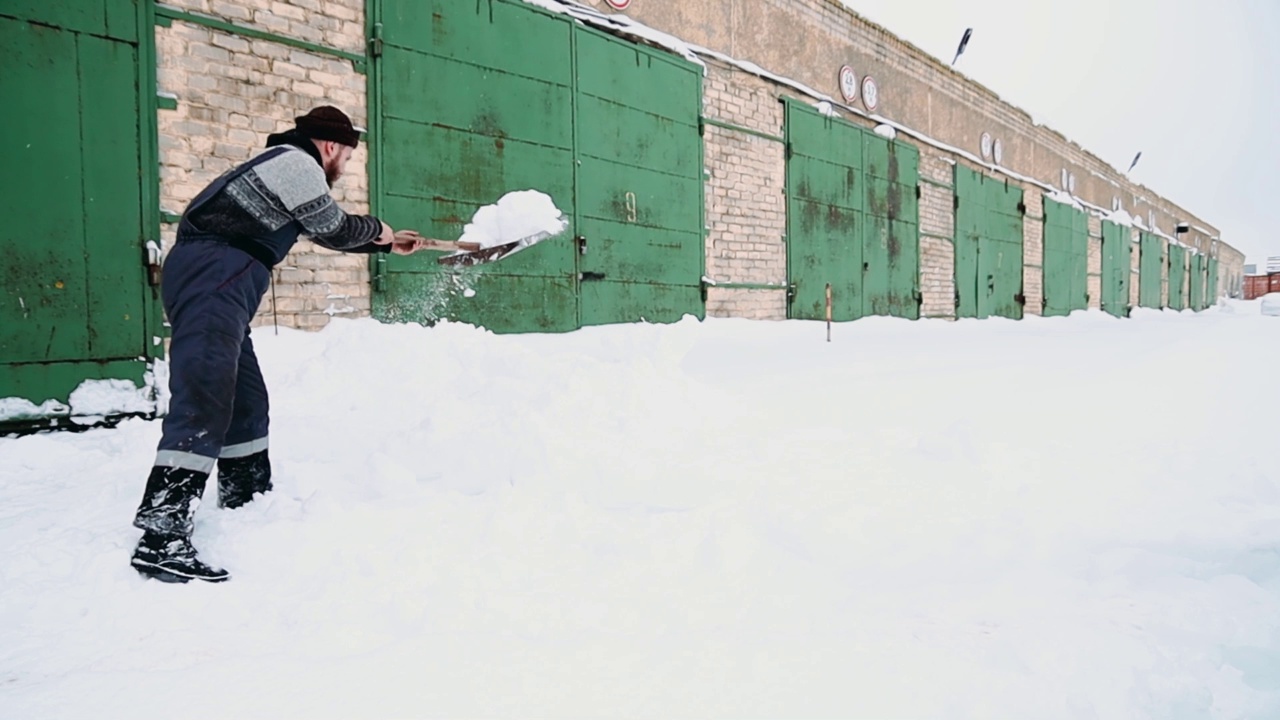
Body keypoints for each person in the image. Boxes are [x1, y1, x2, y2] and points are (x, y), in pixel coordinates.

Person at [131, 106, 471, 583]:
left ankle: (246, 500)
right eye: (348, 157)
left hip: (222, 279)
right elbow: (330, 225)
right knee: (205, 393)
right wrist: (379, 231)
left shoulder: (284, 168)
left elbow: (321, 228)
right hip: (214, 275)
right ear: (332, 146)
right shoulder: (294, 162)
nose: (344, 166)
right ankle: (161, 534)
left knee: (246, 399)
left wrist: (384, 244)